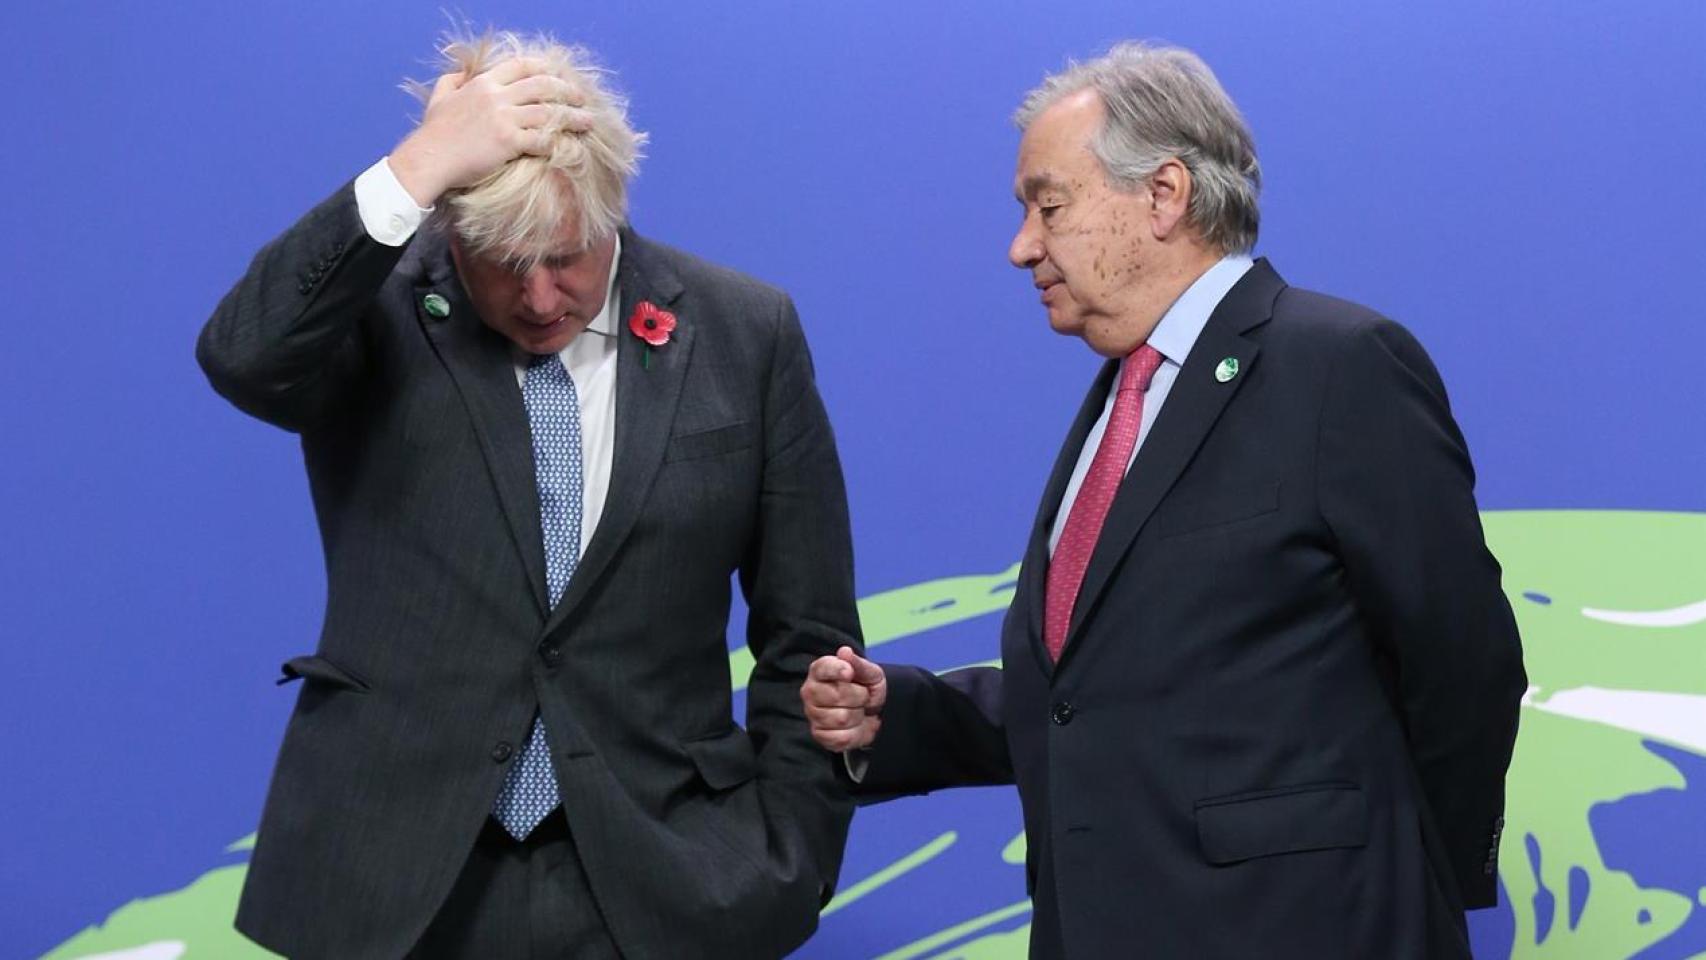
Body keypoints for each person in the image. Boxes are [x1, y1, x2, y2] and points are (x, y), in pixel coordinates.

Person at [801, 42, 1525, 959]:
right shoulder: (1119, 398)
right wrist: (901, 718)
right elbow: (1104, 692)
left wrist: (1417, 885)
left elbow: (1463, 658)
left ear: (1165, 194)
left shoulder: (1340, 366)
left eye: (1047, 204)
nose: (1021, 245)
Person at [198, 30, 861, 960]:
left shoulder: (747, 333)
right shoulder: (379, 314)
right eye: (503, 260)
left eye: (567, 256)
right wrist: (418, 163)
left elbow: (809, 634)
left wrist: (794, 859)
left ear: (613, 211)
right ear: (447, 229)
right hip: (393, 891)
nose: (543, 296)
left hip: (661, 881)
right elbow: (243, 355)